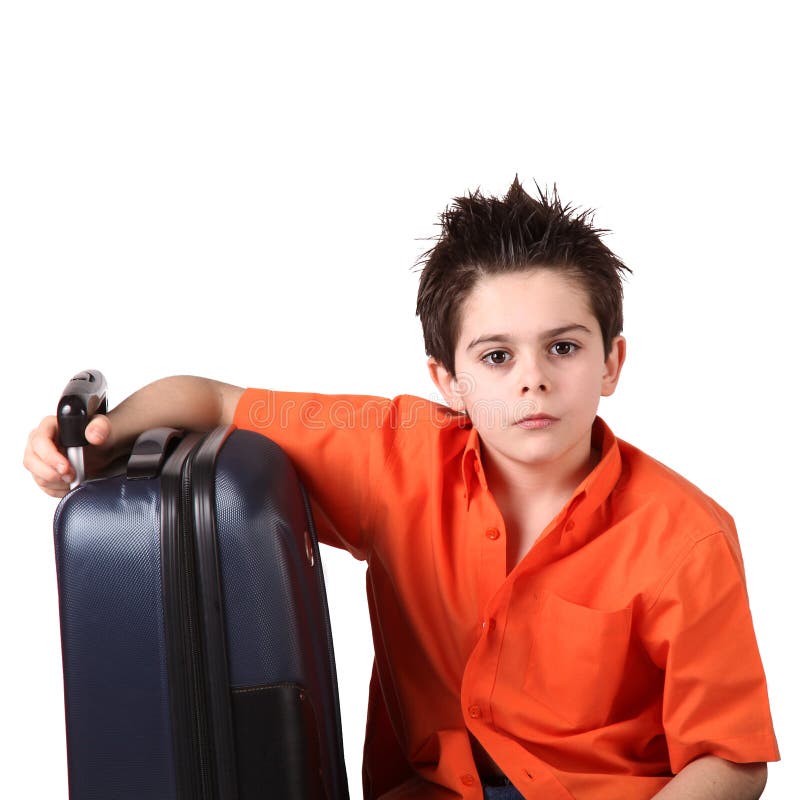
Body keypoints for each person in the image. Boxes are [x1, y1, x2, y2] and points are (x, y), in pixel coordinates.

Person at [25, 179, 779, 799]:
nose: (533, 378)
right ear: (446, 380)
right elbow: (214, 401)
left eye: (564, 347)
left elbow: (733, 760)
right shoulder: (400, 457)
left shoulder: (688, 534)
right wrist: (98, 436)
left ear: (611, 363)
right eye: (494, 356)